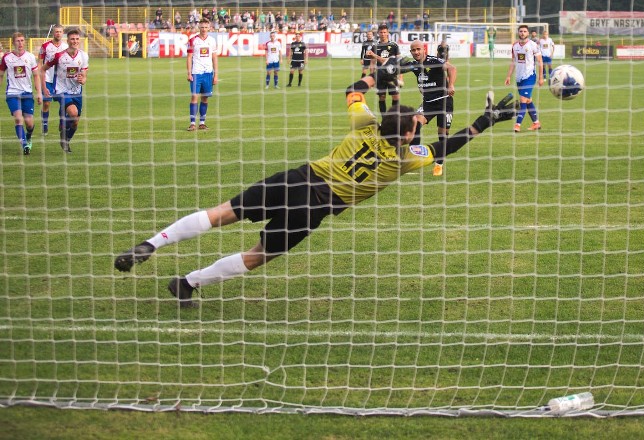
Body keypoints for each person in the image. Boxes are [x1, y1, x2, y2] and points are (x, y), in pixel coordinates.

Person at [114, 76, 519, 307]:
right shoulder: (405, 159)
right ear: (409, 134)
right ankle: (189, 282)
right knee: (260, 255)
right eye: (417, 123)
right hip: (317, 207)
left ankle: (152, 243)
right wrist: (486, 121)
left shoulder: (364, 124)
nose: (420, 124)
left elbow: (352, 91)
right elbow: (448, 145)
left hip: (296, 178)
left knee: (222, 213)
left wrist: (375, 77)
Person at [405, 40, 457, 177]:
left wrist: (451, 85)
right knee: (415, 122)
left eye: (418, 49)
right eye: (413, 50)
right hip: (428, 103)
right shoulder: (414, 65)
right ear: (411, 52)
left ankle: (439, 164)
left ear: (424, 50)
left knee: (442, 134)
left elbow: (452, 68)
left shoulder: (434, 61)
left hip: (444, 101)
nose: (416, 52)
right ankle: (414, 158)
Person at [42, 27, 88, 153]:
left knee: (75, 122)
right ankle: (63, 120)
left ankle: (66, 139)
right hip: (61, 90)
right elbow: (43, 69)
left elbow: (84, 74)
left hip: (77, 92)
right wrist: (44, 86)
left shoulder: (84, 56)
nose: (75, 41)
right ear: (67, 40)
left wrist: (83, 80)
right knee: (73, 113)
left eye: (77, 39)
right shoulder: (59, 56)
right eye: (72, 39)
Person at [0, 32, 42, 155]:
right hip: (12, 93)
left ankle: (28, 137)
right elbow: (1, 74)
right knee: (19, 119)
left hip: (27, 93)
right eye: (18, 41)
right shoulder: (7, 58)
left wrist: (39, 93)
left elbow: (36, 76)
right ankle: (25, 146)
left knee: (29, 123)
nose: (20, 43)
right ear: (13, 43)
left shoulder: (30, 57)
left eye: (22, 40)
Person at [504, 24, 544, 132]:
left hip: (530, 76)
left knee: (522, 100)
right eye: (521, 31)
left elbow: (540, 61)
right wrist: (508, 76)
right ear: (518, 33)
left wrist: (541, 78)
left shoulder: (533, 45)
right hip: (519, 78)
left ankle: (517, 125)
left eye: (525, 31)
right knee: (528, 100)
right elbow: (513, 62)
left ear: (528, 33)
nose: (522, 33)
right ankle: (536, 123)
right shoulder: (515, 46)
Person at [186, 19, 219, 131]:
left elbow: (214, 57)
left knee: (205, 98)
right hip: (196, 73)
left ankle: (202, 123)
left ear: (209, 28)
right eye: (202, 27)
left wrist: (216, 75)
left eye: (206, 27)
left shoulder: (212, 41)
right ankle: (192, 123)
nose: (204, 29)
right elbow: (189, 57)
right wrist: (189, 73)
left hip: (208, 73)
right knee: (194, 96)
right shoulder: (193, 40)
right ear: (199, 28)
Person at [37, 24, 66, 136]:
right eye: (56, 31)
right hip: (48, 79)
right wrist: (40, 80)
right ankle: (45, 124)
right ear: (53, 33)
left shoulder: (66, 46)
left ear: (62, 33)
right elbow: (40, 62)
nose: (58, 33)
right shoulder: (45, 46)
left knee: (64, 103)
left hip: (61, 81)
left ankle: (61, 122)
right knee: (47, 103)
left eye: (60, 31)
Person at [366, 23, 401, 113]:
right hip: (380, 76)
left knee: (395, 96)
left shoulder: (394, 46)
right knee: (382, 97)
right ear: (378, 33)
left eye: (384, 32)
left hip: (392, 76)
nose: (383, 34)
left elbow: (399, 62)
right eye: (381, 32)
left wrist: (400, 77)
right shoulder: (375, 46)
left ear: (388, 33)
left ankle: (394, 117)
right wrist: (372, 77)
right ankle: (384, 119)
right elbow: (372, 63)